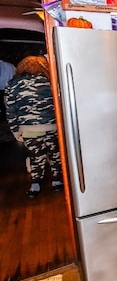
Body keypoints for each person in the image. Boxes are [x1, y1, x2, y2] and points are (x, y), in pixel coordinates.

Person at [4, 55, 63, 198]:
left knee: (36, 156)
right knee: (55, 154)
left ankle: (35, 186)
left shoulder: (13, 84)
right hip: (52, 126)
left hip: (29, 129)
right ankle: (57, 182)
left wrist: (15, 131)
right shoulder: (51, 81)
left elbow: (11, 110)